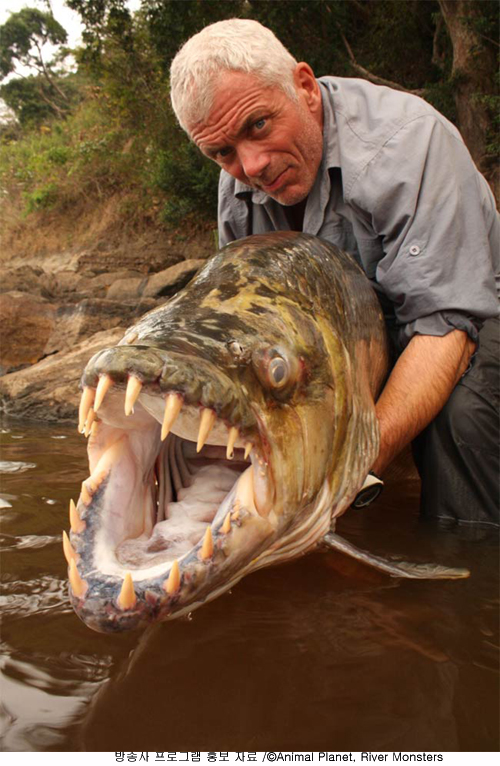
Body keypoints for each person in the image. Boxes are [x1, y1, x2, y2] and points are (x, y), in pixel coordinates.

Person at [170, 18, 500, 526]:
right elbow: (247, 327)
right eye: (222, 152)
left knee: (461, 420)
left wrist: (347, 472)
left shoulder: (409, 143)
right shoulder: (235, 187)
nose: (251, 166)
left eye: (258, 125)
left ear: (304, 87)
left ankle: (468, 577)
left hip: (467, 311)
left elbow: (445, 327)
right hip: (357, 333)